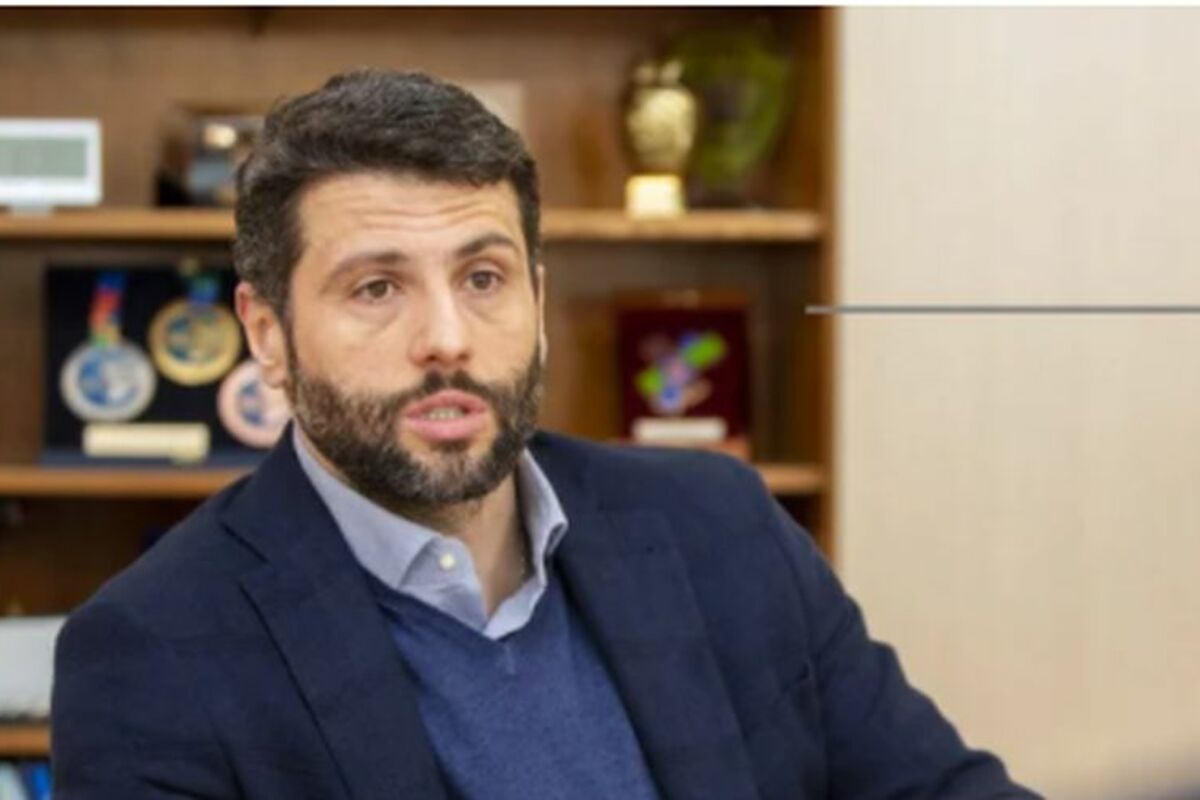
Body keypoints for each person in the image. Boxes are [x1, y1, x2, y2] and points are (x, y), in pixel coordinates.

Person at [51, 69, 1039, 800]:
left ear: (537, 297)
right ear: (268, 334)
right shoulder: (151, 649)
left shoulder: (719, 523)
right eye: (377, 287)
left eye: (483, 277)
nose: (446, 339)